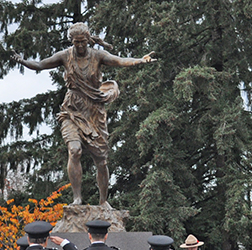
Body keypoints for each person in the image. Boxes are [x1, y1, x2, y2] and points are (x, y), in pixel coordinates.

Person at [13, 22, 156, 206]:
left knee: (101, 161)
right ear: (71, 41)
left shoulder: (98, 56)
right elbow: (41, 64)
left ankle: (103, 201)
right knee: (74, 150)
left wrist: (139, 60)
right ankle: (77, 198)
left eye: (82, 42)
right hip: (72, 109)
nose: (79, 46)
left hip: (94, 111)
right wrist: (24, 62)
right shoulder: (65, 56)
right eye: (76, 42)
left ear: (88, 40)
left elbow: (119, 60)